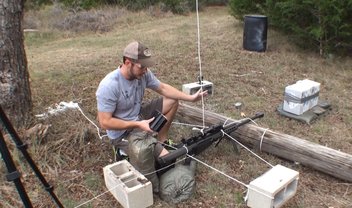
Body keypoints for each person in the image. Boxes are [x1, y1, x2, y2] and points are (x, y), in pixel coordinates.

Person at [96, 41, 207, 161]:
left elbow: (163, 88)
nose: (145, 70)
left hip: (138, 115)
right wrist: (137, 124)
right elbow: (105, 122)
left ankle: (162, 140)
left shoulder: (144, 74)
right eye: (142, 66)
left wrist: (190, 98)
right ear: (128, 62)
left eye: (147, 66)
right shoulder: (109, 86)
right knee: (166, 159)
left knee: (173, 100)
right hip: (122, 133)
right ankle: (121, 150)